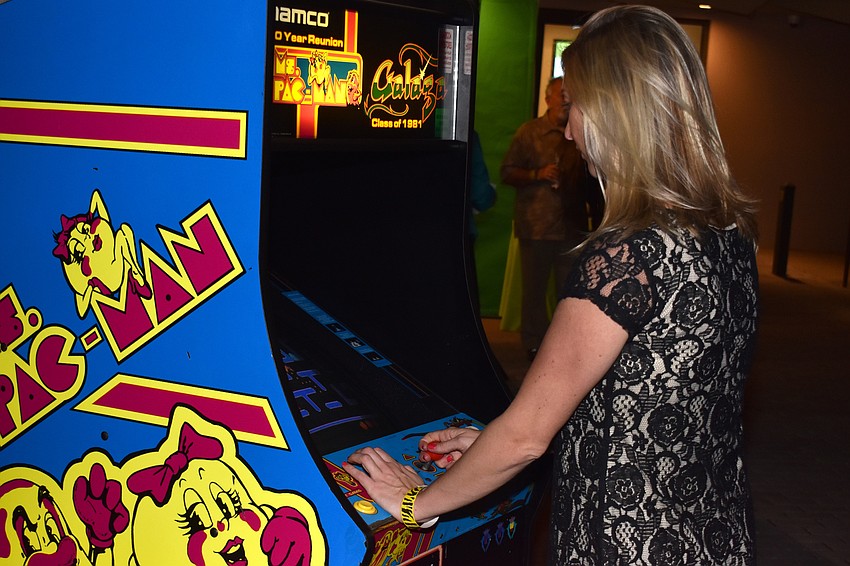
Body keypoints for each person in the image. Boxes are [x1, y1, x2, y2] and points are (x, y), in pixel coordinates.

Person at [344, 5, 759, 564]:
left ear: (617, 112)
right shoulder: (729, 233)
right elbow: (653, 404)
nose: (567, 129)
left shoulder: (630, 256)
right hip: (712, 533)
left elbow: (525, 436)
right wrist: (492, 446)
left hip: (627, 545)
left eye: (574, 106)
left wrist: (418, 501)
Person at [500, 76, 593, 360]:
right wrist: (536, 174)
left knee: (571, 292)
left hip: (572, 227)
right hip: (537, 227)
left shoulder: (581, 130)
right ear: (547, 98)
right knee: (534, 292)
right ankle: (534, 346)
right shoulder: (529, 132)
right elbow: (507, 172)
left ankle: (565, 348)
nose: (564, 100)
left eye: (568, 95)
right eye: (559, 94)